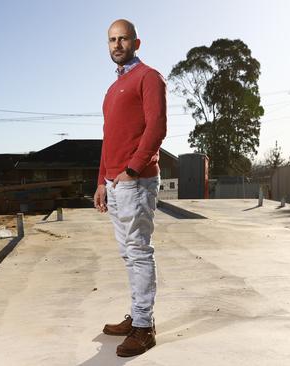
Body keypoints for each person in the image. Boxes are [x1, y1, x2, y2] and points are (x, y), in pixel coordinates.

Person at [93, 18, 167, 357]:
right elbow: (110, 139)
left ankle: (144, 327)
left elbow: (157, 127)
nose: (117, 45)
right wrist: (101, 182)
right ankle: (137, 316)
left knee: (139, 252)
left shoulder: (149, 77)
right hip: (114, 181)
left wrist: (132, 169)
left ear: (136, 43)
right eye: (112, 40)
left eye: (123, 39)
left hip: (136, 181)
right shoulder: (112, 90)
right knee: (128, 255)